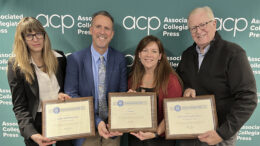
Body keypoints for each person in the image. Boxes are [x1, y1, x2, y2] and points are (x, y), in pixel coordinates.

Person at [176, 6, 257, 146]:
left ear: (214, 24)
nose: (198, 31)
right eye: (193, 28)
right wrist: (186, 89)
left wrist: (222, 133)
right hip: (189, 134)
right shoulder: (187, 55)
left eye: (203, 24)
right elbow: (180, 83)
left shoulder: (233, 53)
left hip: (217, 137)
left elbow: (248, 98)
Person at [64, 10, 127, 146]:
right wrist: (97, 121)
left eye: (107, 28)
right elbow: (71, 95)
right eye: (98, 27)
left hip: (112, 131)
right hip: (86, 130)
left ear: (112, 34)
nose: (102, 32)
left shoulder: (120, 59)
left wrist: (113, 123)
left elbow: (122, 94)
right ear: (91, 30)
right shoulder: (75, 59)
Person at [7, 17, 73, 146]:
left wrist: (62, 94)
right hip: (36, 123)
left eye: (38, 33)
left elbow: (67, 88)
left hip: (62, 119)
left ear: (44, 35)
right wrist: (32, 133)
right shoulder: (16, 66)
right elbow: (19, 106)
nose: (35, 39)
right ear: (23, 39)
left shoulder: (59, 58)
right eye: (29, 35)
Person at [128, 35, 183, 146]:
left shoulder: (170, 80)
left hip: (160, 140)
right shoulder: (132, 78)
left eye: (154, 51)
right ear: (139, 54)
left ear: (160, 56)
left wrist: (156, 133)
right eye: (145, 50)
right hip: (136, 139)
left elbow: (174, 113)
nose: (149, 55)